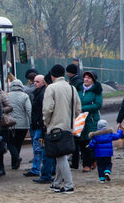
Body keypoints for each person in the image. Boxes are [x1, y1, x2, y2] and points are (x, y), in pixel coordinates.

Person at [43, 64, 82, 193]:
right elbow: (78, 110)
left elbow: (47, 109)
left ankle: (68, 184)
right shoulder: (72, 88)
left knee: (60, 156)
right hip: (68, 126)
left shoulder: (51, 88)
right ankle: (57, 183)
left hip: (55, 126)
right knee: (61, 154)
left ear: (52, 75)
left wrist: (47, 122)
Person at [75, 71, 103, 172]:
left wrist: (83, 108)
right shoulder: (78, 89)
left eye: (89, 78)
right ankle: (86, 164)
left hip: (91, 119)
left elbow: (98, 104)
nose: (86, 79)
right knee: (81, 142)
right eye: (85, 77)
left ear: (93, 80)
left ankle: (93, 160)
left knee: (90, 141)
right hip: (79, 120)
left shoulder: (96, 91)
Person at [7, 79, 32, 170]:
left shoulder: (7, 95)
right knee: (18, 143)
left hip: (10, 124)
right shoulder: (25, 96)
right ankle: (15, 162)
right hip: (23, 125)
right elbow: (29, 110)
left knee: (10, 143)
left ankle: (15, 159)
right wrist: (31, 121)